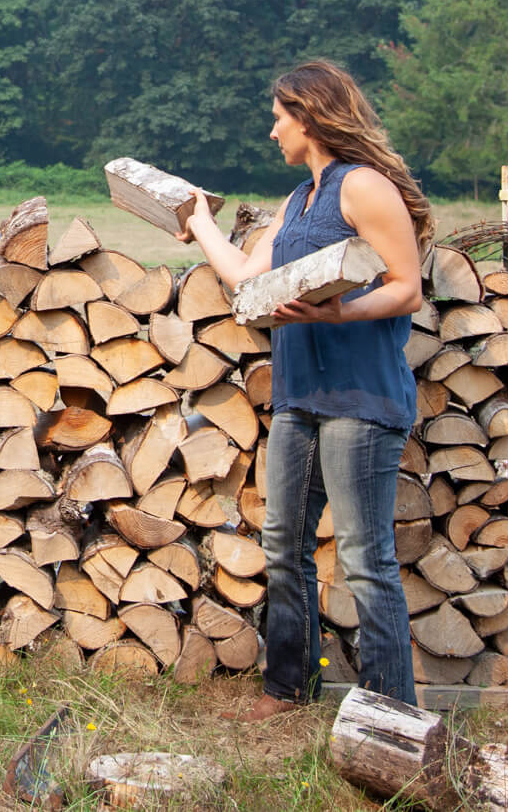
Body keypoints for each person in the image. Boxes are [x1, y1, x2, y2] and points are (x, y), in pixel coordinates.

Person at [177, 59, 432, 716]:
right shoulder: (296, 203)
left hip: (361, 395)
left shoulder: (365, 188)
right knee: (284, 543)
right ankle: (289, 686)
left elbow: (407, 285)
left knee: (365, 558)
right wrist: (201, 218)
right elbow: (242, 274)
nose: (272, 131)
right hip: (299, 395)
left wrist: (338, 311)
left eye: (279, 117)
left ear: (310, 116)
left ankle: (388, 712)